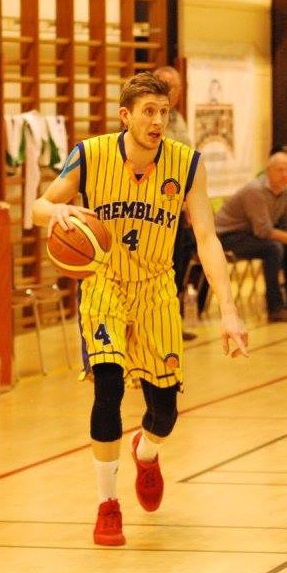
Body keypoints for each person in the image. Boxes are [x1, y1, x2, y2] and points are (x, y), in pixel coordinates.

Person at [32, 71, 248, 547]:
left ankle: (146, 454)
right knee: (107, 388)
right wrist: (60, 212)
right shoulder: (90, 155)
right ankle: (107, 504)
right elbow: (38, 206)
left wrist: (229, 311)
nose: (157, 122)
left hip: (155, 288)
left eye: (164, 113)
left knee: (164, 412)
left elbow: (208, 239)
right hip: (105, 283)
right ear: (126, 115)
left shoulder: (187, 163)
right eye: (148, 112)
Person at [153, 65, 209, 333]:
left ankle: (171, 320)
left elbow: (185, 162)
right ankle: (157, 321)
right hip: (156, 205)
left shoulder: (178, 119)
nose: (171, 91)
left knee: (180, 260)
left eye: (175, 86)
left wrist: (188, 203)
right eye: (165, 84)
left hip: (180, 204)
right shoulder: (150, 118)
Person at [215, 151, 287, 322]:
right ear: (268, 171)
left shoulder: (284, 192)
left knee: (281, 246)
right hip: (225, 236)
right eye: (280, 170)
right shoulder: (255, 191)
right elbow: (264, 231)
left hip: (249, 234)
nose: (285, 174)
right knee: (273, 248)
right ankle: (274, 308)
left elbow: (281, 225)